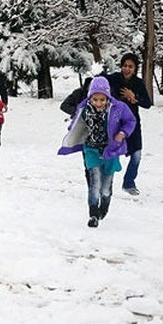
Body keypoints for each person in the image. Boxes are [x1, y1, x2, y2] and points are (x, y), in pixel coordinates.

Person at [58, 76, 136, 227]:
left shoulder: (118, 108)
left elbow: (130, 121)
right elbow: (76, 123)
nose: (98, 103)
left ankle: (104, 205)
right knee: (94, 183)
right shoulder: (84, 109)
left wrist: (122, 133)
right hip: (91, 149)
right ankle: (93, 214)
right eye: (95, 99)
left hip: (110, 150)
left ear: (107, 97)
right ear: (90, 98)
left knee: (105, 188)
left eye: (102, 99)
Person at [106, 53, 153, 196]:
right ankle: (107, 182)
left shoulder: (138, 83)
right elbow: (99, 84)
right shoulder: (114, 79)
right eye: (125, 66)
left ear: (135, 69)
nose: (127, 69)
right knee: (112, 154)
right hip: (115, 124)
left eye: (130, 67)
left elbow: (147, 104)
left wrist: (134, 98)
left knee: (137, 154)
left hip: (132, 123)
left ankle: (129, 183)